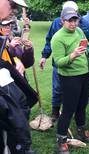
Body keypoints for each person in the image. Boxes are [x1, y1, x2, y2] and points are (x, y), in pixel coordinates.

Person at [51, 7, 89, 154]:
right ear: (62, 21)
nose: (73, 23)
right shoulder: (57, 38)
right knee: (69, 109)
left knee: (82, 105)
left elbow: (87, 46)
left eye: (75, 20)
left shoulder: (79, 31)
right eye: (70, 20)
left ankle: (81, 131)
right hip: (69, 77)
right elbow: (58, 62)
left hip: (84, 74)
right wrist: (73, 55)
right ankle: (61, 139)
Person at [39, 1, 89, 122]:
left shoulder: (82, 24)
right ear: (63, 18)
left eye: (75, 17)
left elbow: (88, 37)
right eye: (69, 19)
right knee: (58, 88)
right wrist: (44, 56)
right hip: (61, 64)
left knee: (77, 94)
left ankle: (74, 114)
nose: (73, 23)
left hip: (79, 67)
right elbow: (49, 40)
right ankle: (55, 111)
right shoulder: (56, 24)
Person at [0, 1, 36, 154]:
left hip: (13, 92)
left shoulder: (7, 40)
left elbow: (27, 62)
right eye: (12, 4)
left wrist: (27, 51)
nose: (14, 10)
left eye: (9, 26)